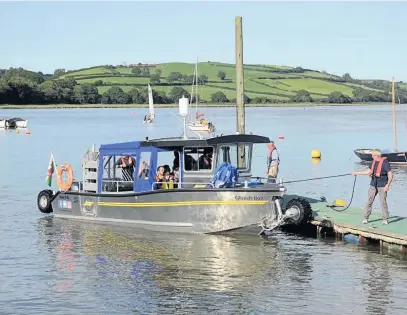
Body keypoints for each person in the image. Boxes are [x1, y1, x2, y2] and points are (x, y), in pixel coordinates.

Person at [352, 149, 393, 225]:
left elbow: (390, 174)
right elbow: (368, 171)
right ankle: (365, 218)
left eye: (373, 155)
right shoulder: (373, 162)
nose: (372, 156)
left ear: (377, 155)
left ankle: (385, 219)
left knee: (383, 202)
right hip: (373, 184)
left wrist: (388, 185)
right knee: (369, 201)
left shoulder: (385, 163)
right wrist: (356, 173)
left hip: (382, 185)